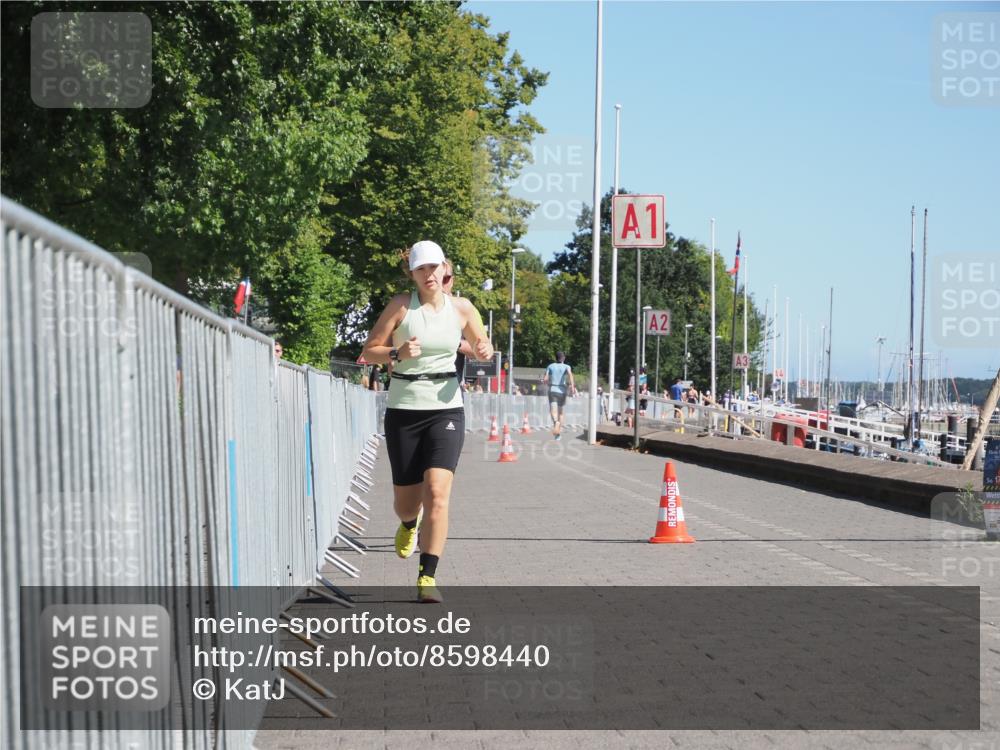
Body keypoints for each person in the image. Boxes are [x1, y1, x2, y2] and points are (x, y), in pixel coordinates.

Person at [362, 240, 492, 603]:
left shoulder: (463, 308)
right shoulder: (401, 306)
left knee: (437, 492)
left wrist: (485, 349)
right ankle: (407, 524)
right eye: (421, 269)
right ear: (413, 274)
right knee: (407, 503)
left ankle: (428, 576)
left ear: (444, 268)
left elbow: (483, 343)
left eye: (434, 267)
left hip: (446, 408)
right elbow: (368, 351)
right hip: (404, 408)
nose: (429, 274)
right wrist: (395, 352)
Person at [542, 351, 576, 440]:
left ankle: (556, 424)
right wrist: (572, 386)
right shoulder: (567, 366)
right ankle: (558, 431)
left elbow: (545, 378)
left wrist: (545, 381)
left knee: (553, 411)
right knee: (560, 413)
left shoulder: (550, 366)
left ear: (556, 358)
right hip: (562, 391)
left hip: (552, 389)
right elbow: (570, 375)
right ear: (563, 358)